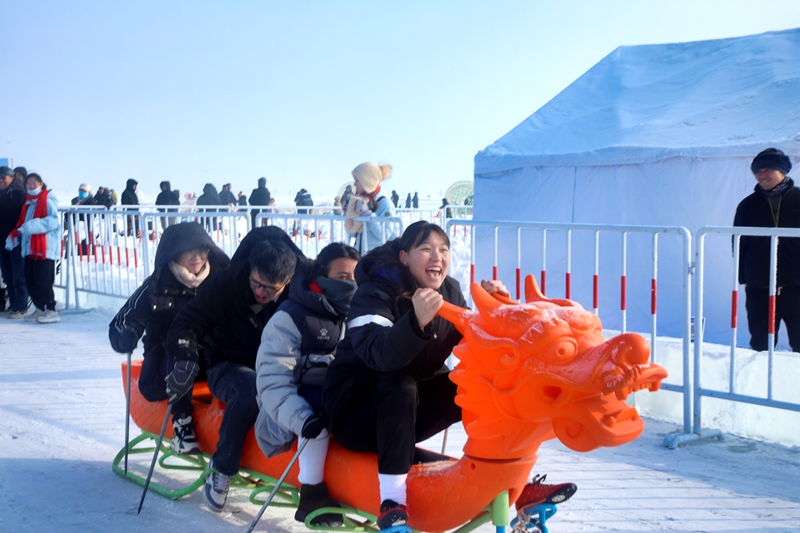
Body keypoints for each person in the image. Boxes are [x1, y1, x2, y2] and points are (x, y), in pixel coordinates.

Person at [322, 221, 574, 531]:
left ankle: (512, 482)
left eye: (443, 250)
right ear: (404, 257)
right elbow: (379, 356)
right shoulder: (374, 293)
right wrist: (415, 322)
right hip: (353, 412)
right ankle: (392, 503)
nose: (436, 257)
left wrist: (494, 310)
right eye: (425, 249)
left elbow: (482, 348)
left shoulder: (451, 292)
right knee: (398, 385)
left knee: (482, 385)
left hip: (404, 415)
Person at [164, 226, 305, 512]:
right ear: (251, 269)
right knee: (251, 388)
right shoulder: (225, 283)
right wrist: (184, 355)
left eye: (271, 288)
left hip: (282, 365)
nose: (262, 292)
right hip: (229, 363)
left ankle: (310, 476)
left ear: (287, 280)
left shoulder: (300, 289)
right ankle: (223, 468)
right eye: (257, 283)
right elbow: (186, 322)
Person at [254, 242, 360, 527]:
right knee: (320, 399)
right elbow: (272, 382)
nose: (351, 284)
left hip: (330, 401)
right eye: (342, 278)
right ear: (321, 278)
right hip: (289, 413)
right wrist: (304, 420)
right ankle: (311, 493)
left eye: (355, 277)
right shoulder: (291, 317)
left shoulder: (351, 315)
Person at [109, 223, 230, 453]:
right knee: (182, 352)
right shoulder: (157, 285)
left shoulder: (220, 280)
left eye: (202, 249)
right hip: (167, 361)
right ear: (174, 252)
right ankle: (182, 425)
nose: (197, 256)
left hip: (211, 356)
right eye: (189, 250)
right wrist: (127, 334)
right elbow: (123, 320)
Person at [734, 148, 800, 352]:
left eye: (768, 169)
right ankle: (761, 383)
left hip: (797, 284)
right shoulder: (747, 205)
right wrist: (744, 278)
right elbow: (739, 243)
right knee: (761, 344)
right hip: (759, 285)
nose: (762, 175)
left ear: (783, 171)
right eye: (757, 171)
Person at [5, 173, 61, 324]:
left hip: (45, 249)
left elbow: (53, 222)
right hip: (30, 249)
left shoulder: (47, 200)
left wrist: (30, 227)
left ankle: (51, 310)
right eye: (28, 184)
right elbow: (22, 223)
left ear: (41, 184)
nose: (30, 187)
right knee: (30, 280)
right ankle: (40, 308)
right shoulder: (29, 203)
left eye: (33, 184)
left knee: (43, 281)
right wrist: (15, 235)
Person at [345, 162, 399, 255]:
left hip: (379, 260)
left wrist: (368, 215)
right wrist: (350, 213)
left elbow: (384, 235)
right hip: (363, 258)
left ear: (367, 181)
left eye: (357, 180)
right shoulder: (362, 201)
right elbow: (353, 234)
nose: (354, 184)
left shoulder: (385, 204)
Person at [0, 166, 28, 318]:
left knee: (18, 274)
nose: (1, 181)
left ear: (12, 178)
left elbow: (23, 216)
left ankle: (21, 306)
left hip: (16, 239)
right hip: (2, 241)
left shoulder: (19, 194)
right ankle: (14, 303)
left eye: (4, 177)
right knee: (7, 275)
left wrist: (18, 232)